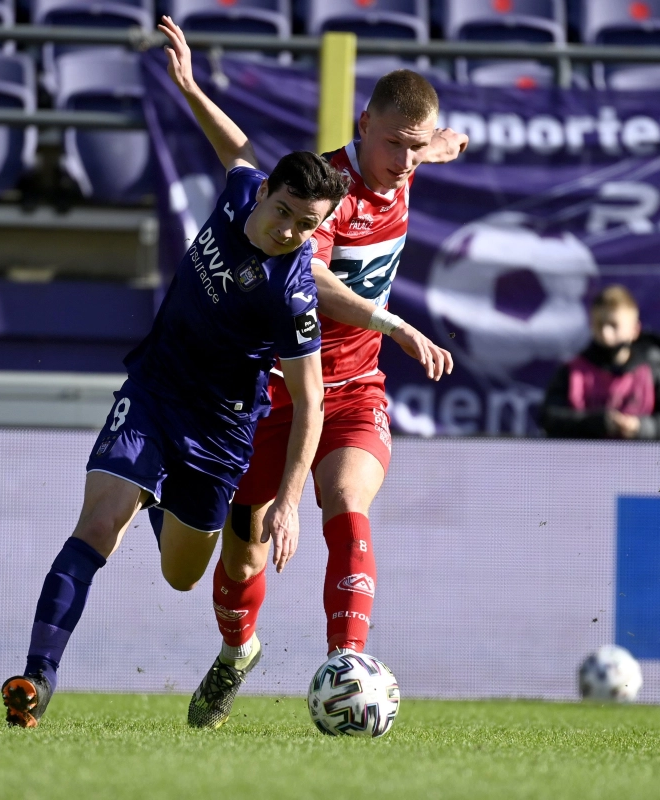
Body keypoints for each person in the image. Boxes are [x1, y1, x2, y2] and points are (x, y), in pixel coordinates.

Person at [0, 28, 353, 727]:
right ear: (266, 194)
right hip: (155, 391)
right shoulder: (241, 190)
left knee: (183, 574)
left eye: (305, 226)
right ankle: (36, 681)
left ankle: (214, 587)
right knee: (99, 524)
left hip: (219, 433)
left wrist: (286, 500)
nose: (287, 231)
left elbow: (310, 402)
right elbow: (238, 149)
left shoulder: (291, 294)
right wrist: (189, 86)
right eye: (283, 212)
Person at [164, 15, 468, 730]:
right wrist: (392, 323)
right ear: (363, 124)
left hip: (356, 389)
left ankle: (346, 669)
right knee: (239, 563)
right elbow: (317, 276)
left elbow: (442, 144)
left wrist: (447, 146)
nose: (402, 159)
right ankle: (237, 651)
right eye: (392, 142)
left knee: (347, 502)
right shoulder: (327, 190)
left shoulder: (414, 164)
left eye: (415, 147)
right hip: (274, 393)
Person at [539, 285, 660, 440]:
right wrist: (592, 424)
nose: (605, 333)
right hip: (586, 465)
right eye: (599, 325)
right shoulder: (571, 372)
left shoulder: (651, 373)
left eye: (613, 325)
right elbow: (548, 418)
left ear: (634, 330)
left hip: (639, 466)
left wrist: (640, 427)